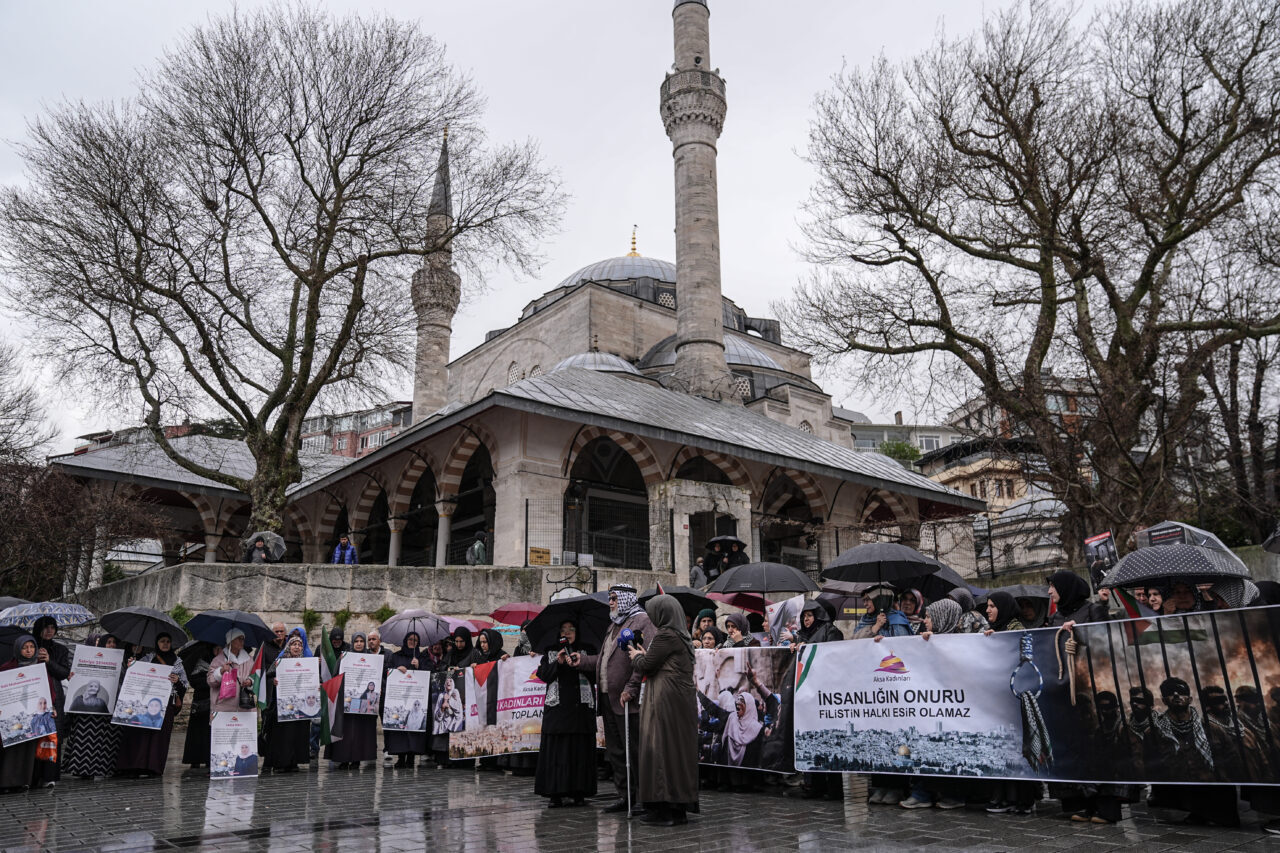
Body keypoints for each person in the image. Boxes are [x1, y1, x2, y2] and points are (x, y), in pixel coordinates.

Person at [573, 583, 655, 815]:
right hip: (609, 698)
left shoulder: (642, 622)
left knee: (634, 750)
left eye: (614, 598)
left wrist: (632, 686)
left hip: (627, 698)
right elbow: (604, 657)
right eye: (609, 598)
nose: (610, 602)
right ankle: (625, 796)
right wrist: (584, 661)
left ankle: (641, 797)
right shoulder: (614, 625)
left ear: (626, 599)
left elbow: (645, 657)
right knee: (617, 751)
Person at [627, 594, 698, 826]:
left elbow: (647, 665)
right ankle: (677, 809)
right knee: (676, 752)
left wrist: (636, 656)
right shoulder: (681, 635)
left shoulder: (666, 634)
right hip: (679, 699)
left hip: (664, 699)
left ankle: (664, 809)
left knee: (661, 750)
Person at [900, 599, 967, 810]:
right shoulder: (924, 640)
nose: (925, 621)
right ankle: (923, 792)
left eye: (929, 617)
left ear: (941, 618)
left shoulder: (962, 642)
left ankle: (951, 794)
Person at [982, 594, 1036, 815]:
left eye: (992, 606)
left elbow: (1027, 659)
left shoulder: (1017, 628)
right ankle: (1004, 796)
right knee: (1001, 748)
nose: (988, 611)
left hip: (1015, 699)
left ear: (1003, 608)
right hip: (998, 701)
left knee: (1018, 749)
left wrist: (1001, 641)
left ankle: (1024, 798)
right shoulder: (993, 630)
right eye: (987, 606)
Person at [535, 619, 598, 807]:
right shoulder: (550, 651)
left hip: (580, 711)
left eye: (571, 629)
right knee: (558, 753)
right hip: (558, 712)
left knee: (580, 751)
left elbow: (597, 675)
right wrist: (559, 663)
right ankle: (556, 793)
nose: (567, 633)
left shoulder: (587, 650)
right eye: (563, 630)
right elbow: (544, 674)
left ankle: (579, 792)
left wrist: (581, 663)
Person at [117, 632, 187, 778]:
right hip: (145, 703)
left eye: (168, 641)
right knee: (140, 734)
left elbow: (184, 686)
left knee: (159, 737)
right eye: (162, 641)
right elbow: (134, 675)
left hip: (165, 703)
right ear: (157, 643)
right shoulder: (148, 658)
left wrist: (177, 681)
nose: (165, 644)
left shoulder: (177, 662)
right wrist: (133, 665)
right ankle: (134, 765)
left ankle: (153, 767)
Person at [65, 634, 125, 781]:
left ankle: (104, 768)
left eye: (114, 642)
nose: (111, 645)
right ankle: (83, 768)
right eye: (108, 642)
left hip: (108, 708)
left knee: (107, 740)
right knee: (86, 741)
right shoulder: (90, 658)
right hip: (87, 713)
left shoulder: (121, 661)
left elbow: (123, 679)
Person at [0, 635, 46, 791]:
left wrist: (50, 707)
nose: (28, 650)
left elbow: (48, 690)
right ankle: (6, 782)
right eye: (24, 647)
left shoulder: (40, 667)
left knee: (27, 748)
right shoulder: (7, 668)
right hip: (11, 715)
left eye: (32, 647)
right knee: (11, 748)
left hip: (31, 715)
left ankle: (22, 782)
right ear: (18, 649)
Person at [263, 630, 312, 773]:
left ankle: (294, 761)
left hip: (300, 707)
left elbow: (314, 679)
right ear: (288, 647)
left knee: (297, 734)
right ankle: (281, 762)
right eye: (293, 644)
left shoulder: (306, 663)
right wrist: (274, 681)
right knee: (283, 735)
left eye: (299, 644)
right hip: (283, 706)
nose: (296, 647)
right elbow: (268, 676)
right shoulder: (280, 662)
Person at [327, 633, 377, 769]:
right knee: (346, 732)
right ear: (352, 643)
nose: (359, 644)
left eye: (362, 641)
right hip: (346, 703)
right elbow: (335, 677)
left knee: (361, 733)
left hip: (363, 705)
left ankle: (356, 760)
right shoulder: (344, 657)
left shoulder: (372, 659)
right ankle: (344, 759)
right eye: (356, 641)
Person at [387, 631, 430, 768]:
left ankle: (411, 757)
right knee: (401, 730)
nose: (412, 642)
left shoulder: (422, 657)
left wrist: (419, 667)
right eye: (410, 639)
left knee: (413, 729)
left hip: (415, 700)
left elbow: (430, 674)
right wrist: (395, 669)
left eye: (416, 640)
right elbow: (386, 673)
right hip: (400, 699)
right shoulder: (395, 656)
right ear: (405, 640)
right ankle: (400, 757)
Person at [208, 629, 254, 713]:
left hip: (244, 707)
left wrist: (250, 681)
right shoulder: (218, 660)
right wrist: (221, 671)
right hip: (223, 708)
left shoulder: (249, 660)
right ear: (230, 641)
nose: (241, 641)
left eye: (242, 638)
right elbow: (211, 681)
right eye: (238, 638)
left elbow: (256, 676)